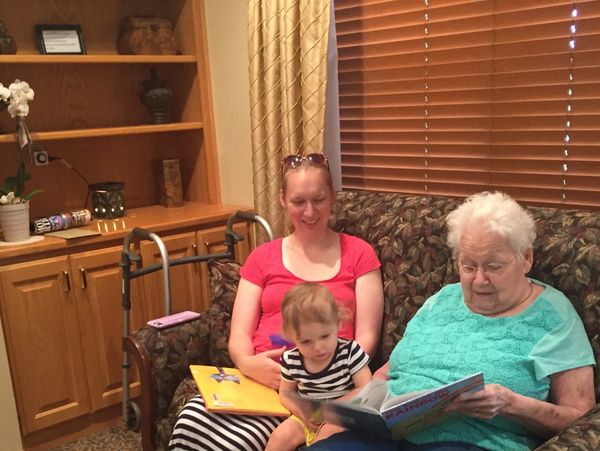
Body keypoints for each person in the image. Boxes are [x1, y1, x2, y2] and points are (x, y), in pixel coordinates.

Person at [309, 191, 596, 451]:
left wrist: (511, 405)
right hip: (386, 432)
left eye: (493, 266)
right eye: (468, 266)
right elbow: (387, 372)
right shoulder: (442, 298)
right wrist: (343, 415)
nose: (479, 280)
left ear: (526, 258)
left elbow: (580, 416)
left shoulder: (553, 314)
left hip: (470, 441)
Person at [168, 152, 384, 450]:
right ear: (283, 200)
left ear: (333, 195)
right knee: (191, 422)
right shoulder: (262, 257)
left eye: (318, 199)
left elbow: (367, 338)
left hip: (317, 388)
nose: (309, 211)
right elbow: (240, 334)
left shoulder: (359, 254)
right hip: (257, 381)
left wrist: (325, 379)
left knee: (238, 442)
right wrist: (247, 363)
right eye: (298, 202)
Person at [265, 282, 372, 451]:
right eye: (306, 341)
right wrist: (301, 414)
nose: (317, 347)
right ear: (291, 336)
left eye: (324, 336)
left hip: (341, 417)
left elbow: (368, 389)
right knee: (279, 438)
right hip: (306, 418)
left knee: (325, 440)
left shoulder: (350, 352)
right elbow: (285, 394)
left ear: (337, 324)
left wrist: (332, 411)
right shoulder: (292, 360)